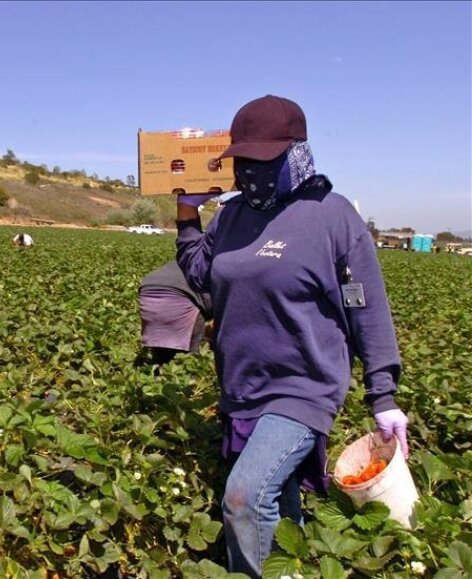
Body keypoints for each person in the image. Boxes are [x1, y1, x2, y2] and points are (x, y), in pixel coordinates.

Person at [174, 95, 409, 578]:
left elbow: (367, 308)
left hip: (302, 388)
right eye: (244, 161)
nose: (251, 173)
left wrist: (382, 395)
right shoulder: (235, 215)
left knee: (244, 497)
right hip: (242, 387)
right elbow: (200, 273)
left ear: (296, 153)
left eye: (264, 161)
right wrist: (185, 216)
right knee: (280, 513)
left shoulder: (333, 217)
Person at [138, 260, 212, 366]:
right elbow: (212, 304)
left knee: (161, 358)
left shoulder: (187, 260)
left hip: (148, 292)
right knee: (191, 359)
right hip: (178, 295)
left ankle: (158, 370)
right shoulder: (210, 268)